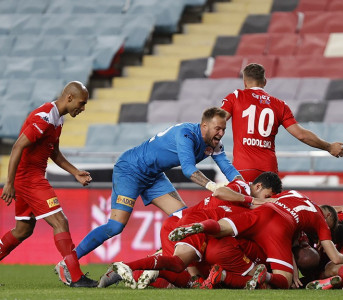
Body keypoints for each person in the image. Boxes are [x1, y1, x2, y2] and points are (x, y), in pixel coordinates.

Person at [56, 107, 243, 284]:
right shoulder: (186, 134)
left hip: (153, 175)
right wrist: (213, 186)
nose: (221, 133)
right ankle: (67, 262)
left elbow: (228, 168)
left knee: (183, 218)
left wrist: (244, 185)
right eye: (218, 128)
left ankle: (160, 262)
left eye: (224, 129)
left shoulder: (214, 144)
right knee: (115, 226)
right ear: (204, 126)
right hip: (131, 169)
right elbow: (188, 169)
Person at [99, 172, 282, 289]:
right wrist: (257, 201)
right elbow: (219, 193)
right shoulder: (243, 187)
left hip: (188, 224)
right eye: (267, 196)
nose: (265, 202)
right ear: (258, 187)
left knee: (191, 279)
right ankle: (128, 266)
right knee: (180, 266)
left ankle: (145, 272)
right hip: (193, 224)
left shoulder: (244, 207)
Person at [0, 81, 97, 287]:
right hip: (30, 179)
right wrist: (9, 183)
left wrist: (75, 173)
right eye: (81, 103)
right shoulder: (44, 118)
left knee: (23, 230)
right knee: (60, 222)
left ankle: (74, 274)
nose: (83, 108)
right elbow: (17, 146)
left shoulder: (57, 119)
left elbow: (54, 152)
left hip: (31, 177)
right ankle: (75, 277)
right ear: (69, 98)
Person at [169, 190, 343, 289]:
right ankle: (264, 276)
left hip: (263, 212)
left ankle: (201, 227)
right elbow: (335, 257)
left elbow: (271, 201)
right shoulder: (320, 222)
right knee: (284, 280)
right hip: (278, 229)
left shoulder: (294, 193)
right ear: (328, 219)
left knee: (222, 228)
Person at [220, 63, 343, 182]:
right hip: (268, 170)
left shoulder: (236, 96)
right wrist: (328, 147)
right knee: (268, 206)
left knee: (240, 206)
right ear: (265, 82)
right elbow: (301, 135)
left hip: (243, 168)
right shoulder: (280, 105)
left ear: (244, 82)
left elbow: (217, 121)